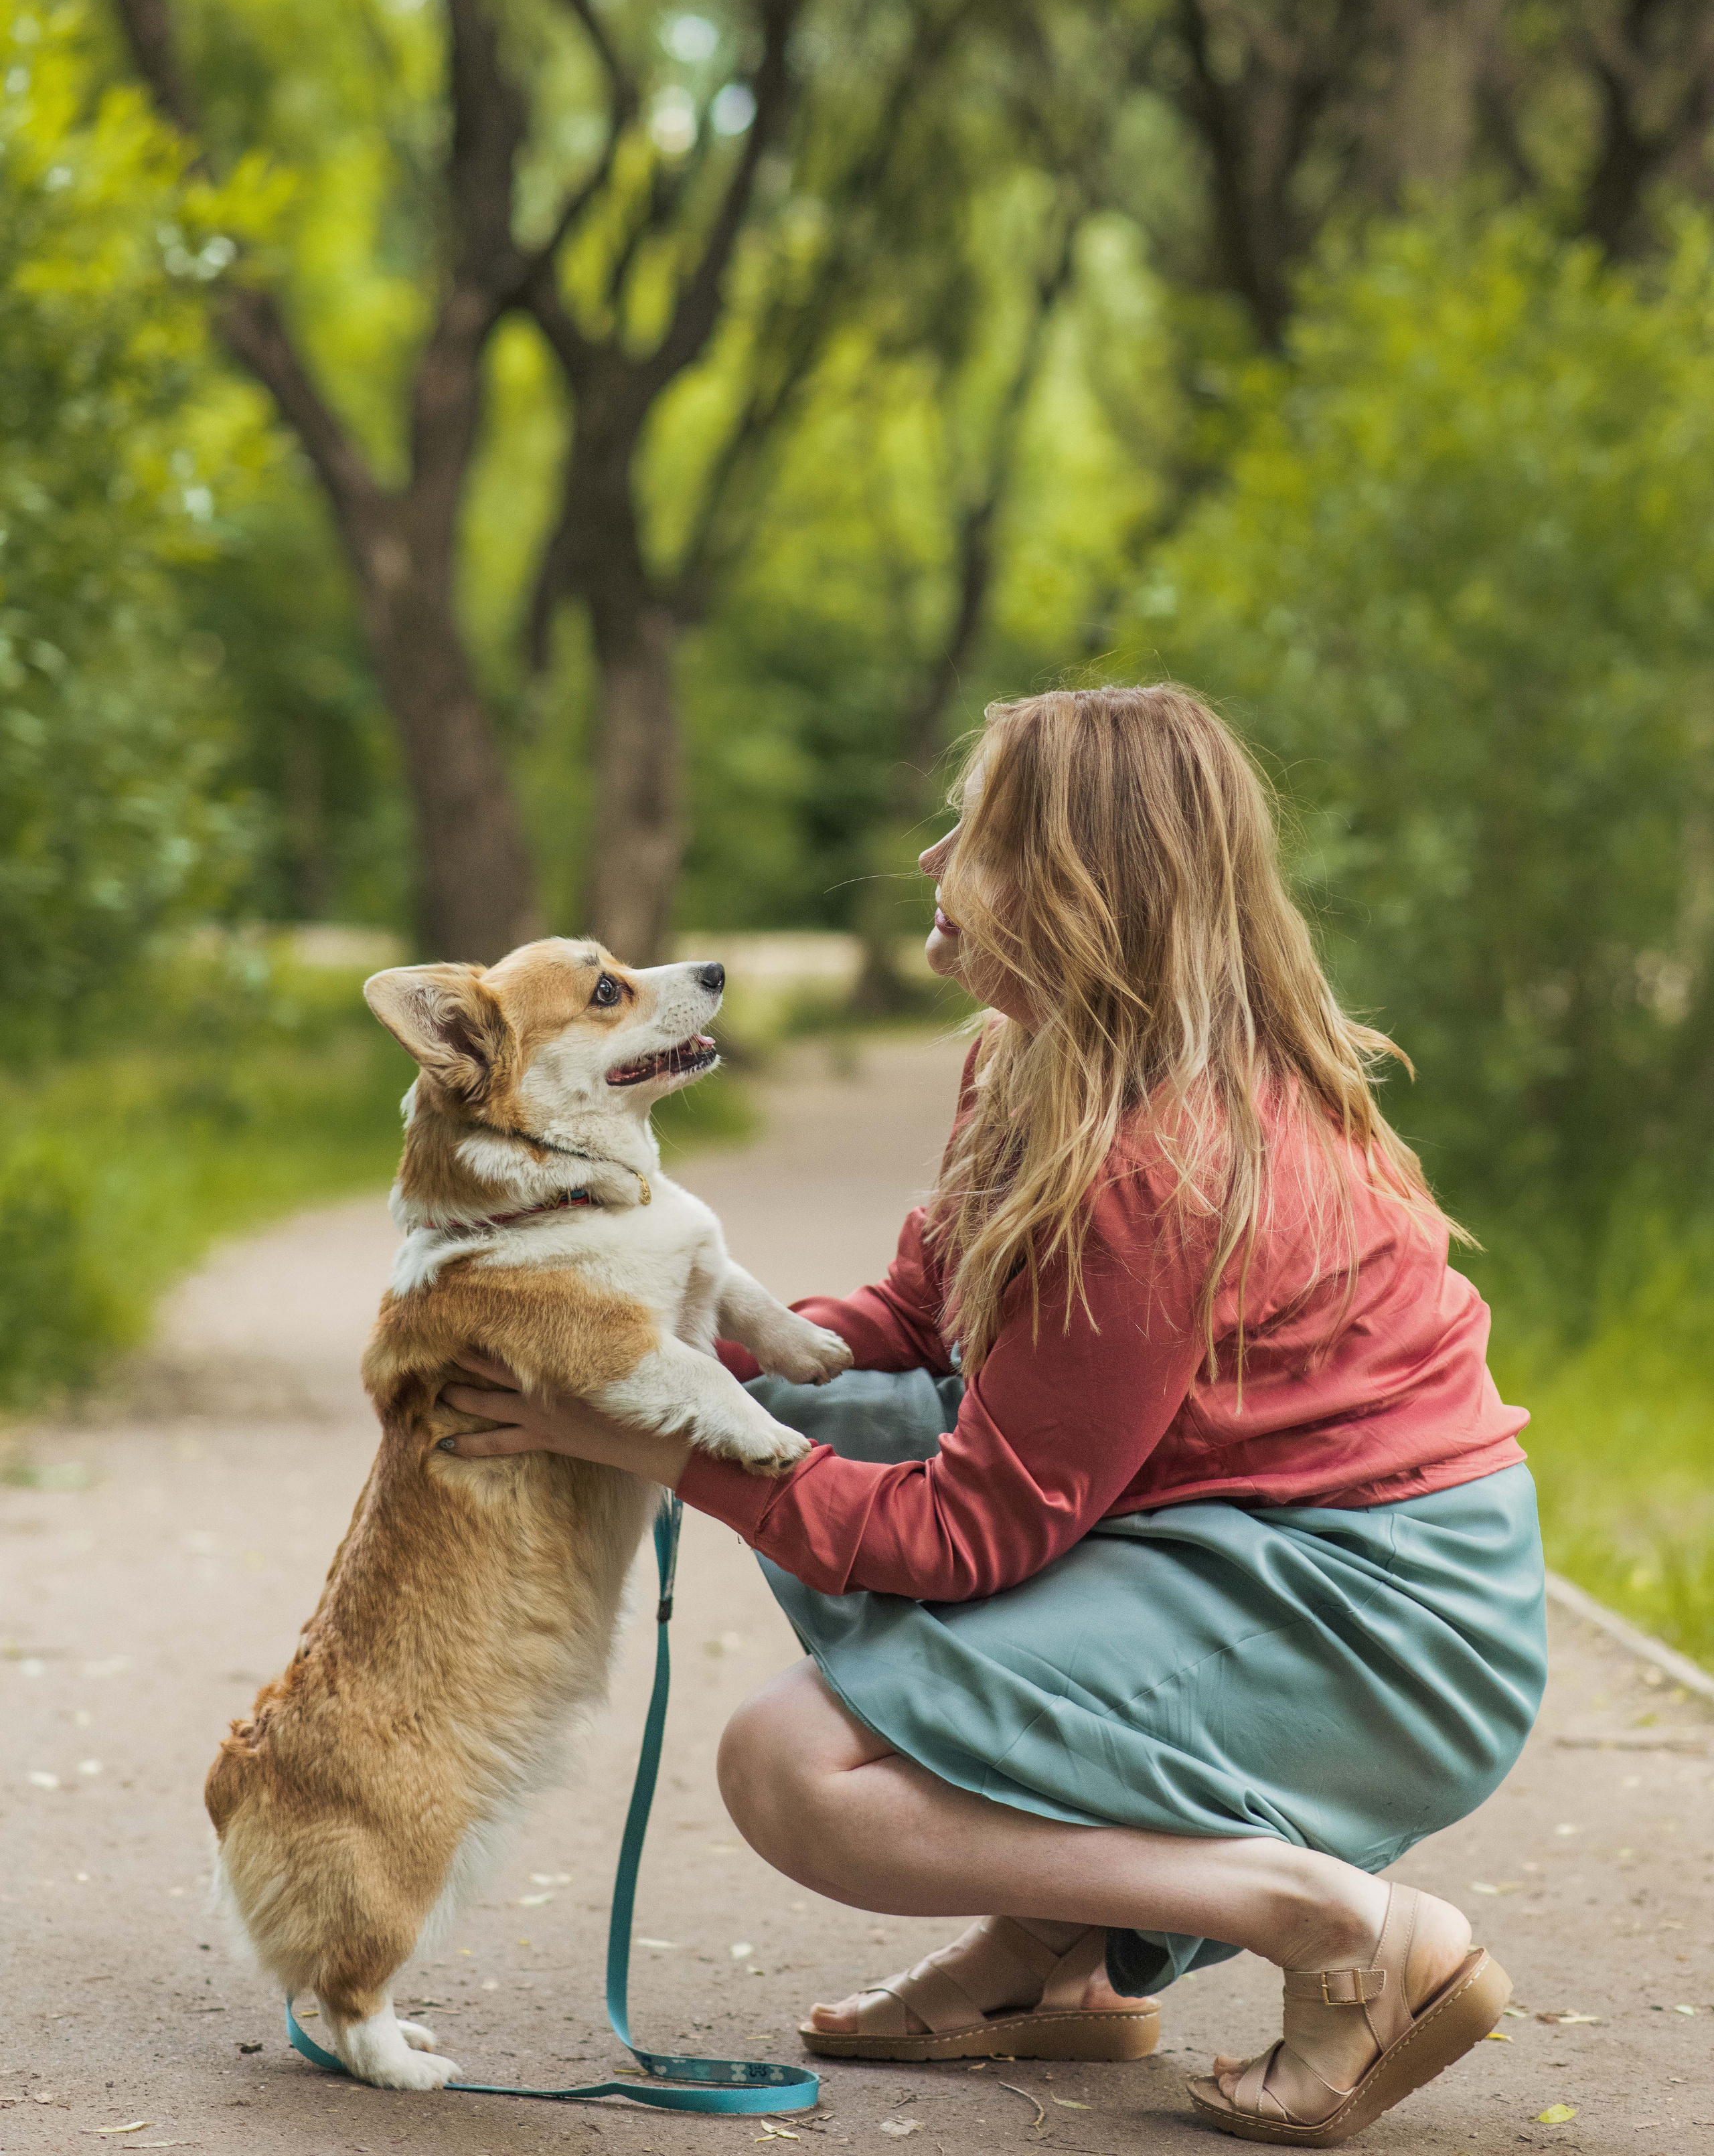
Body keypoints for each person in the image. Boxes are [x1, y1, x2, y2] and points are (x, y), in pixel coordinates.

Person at [441, 683, 1546, 2146]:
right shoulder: (1034, 1061)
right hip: (1222, 1532)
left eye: (975, 834)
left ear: (1080, 889)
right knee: (822, 1415)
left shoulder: (1157, 1167)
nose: (929, 858)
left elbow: (970, 1532)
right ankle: (1059, 1952)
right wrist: (650, 1348)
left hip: (1378, 1613)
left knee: (794, 1771)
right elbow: (912, 1321)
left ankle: (1339, 1929)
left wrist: (654, 1441)